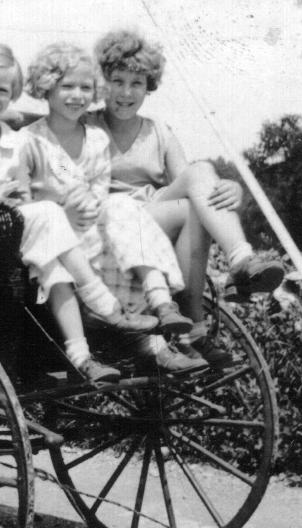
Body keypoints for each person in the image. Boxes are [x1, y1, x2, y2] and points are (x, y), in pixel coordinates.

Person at [0, 43, 161, 383]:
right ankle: (104, 304)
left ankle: (81, 355)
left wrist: (17, 196)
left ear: (14, 94)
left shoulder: (17, 140)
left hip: (7, 235)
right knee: (51, 213)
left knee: (54, 268)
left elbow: (23, 196)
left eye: (2, 91)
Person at [89, 29, 285, 351]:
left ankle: (240, 262)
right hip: (112, 223)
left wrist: (233, 190)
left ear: (148, 87)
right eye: (117, 81)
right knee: (196, 188)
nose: (126, 92)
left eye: (136, 83)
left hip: (152, 218)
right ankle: (198, 316)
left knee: (202, 174)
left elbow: (194, 187)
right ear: (102, 83)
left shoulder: (159, 132)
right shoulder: (87, 125)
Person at [20, 42, 206, 372]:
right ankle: (136, 335)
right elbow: (25, 199)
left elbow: (92, 187)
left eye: (84, 88)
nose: (76, 95)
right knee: (100, 232)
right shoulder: (32, 140)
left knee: (120, 216)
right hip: (53, 236)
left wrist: (86, 202)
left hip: (89, 230)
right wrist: (66, 209)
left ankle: (160, 315)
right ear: (47, 88)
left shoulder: (95, 138)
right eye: (66, 87)